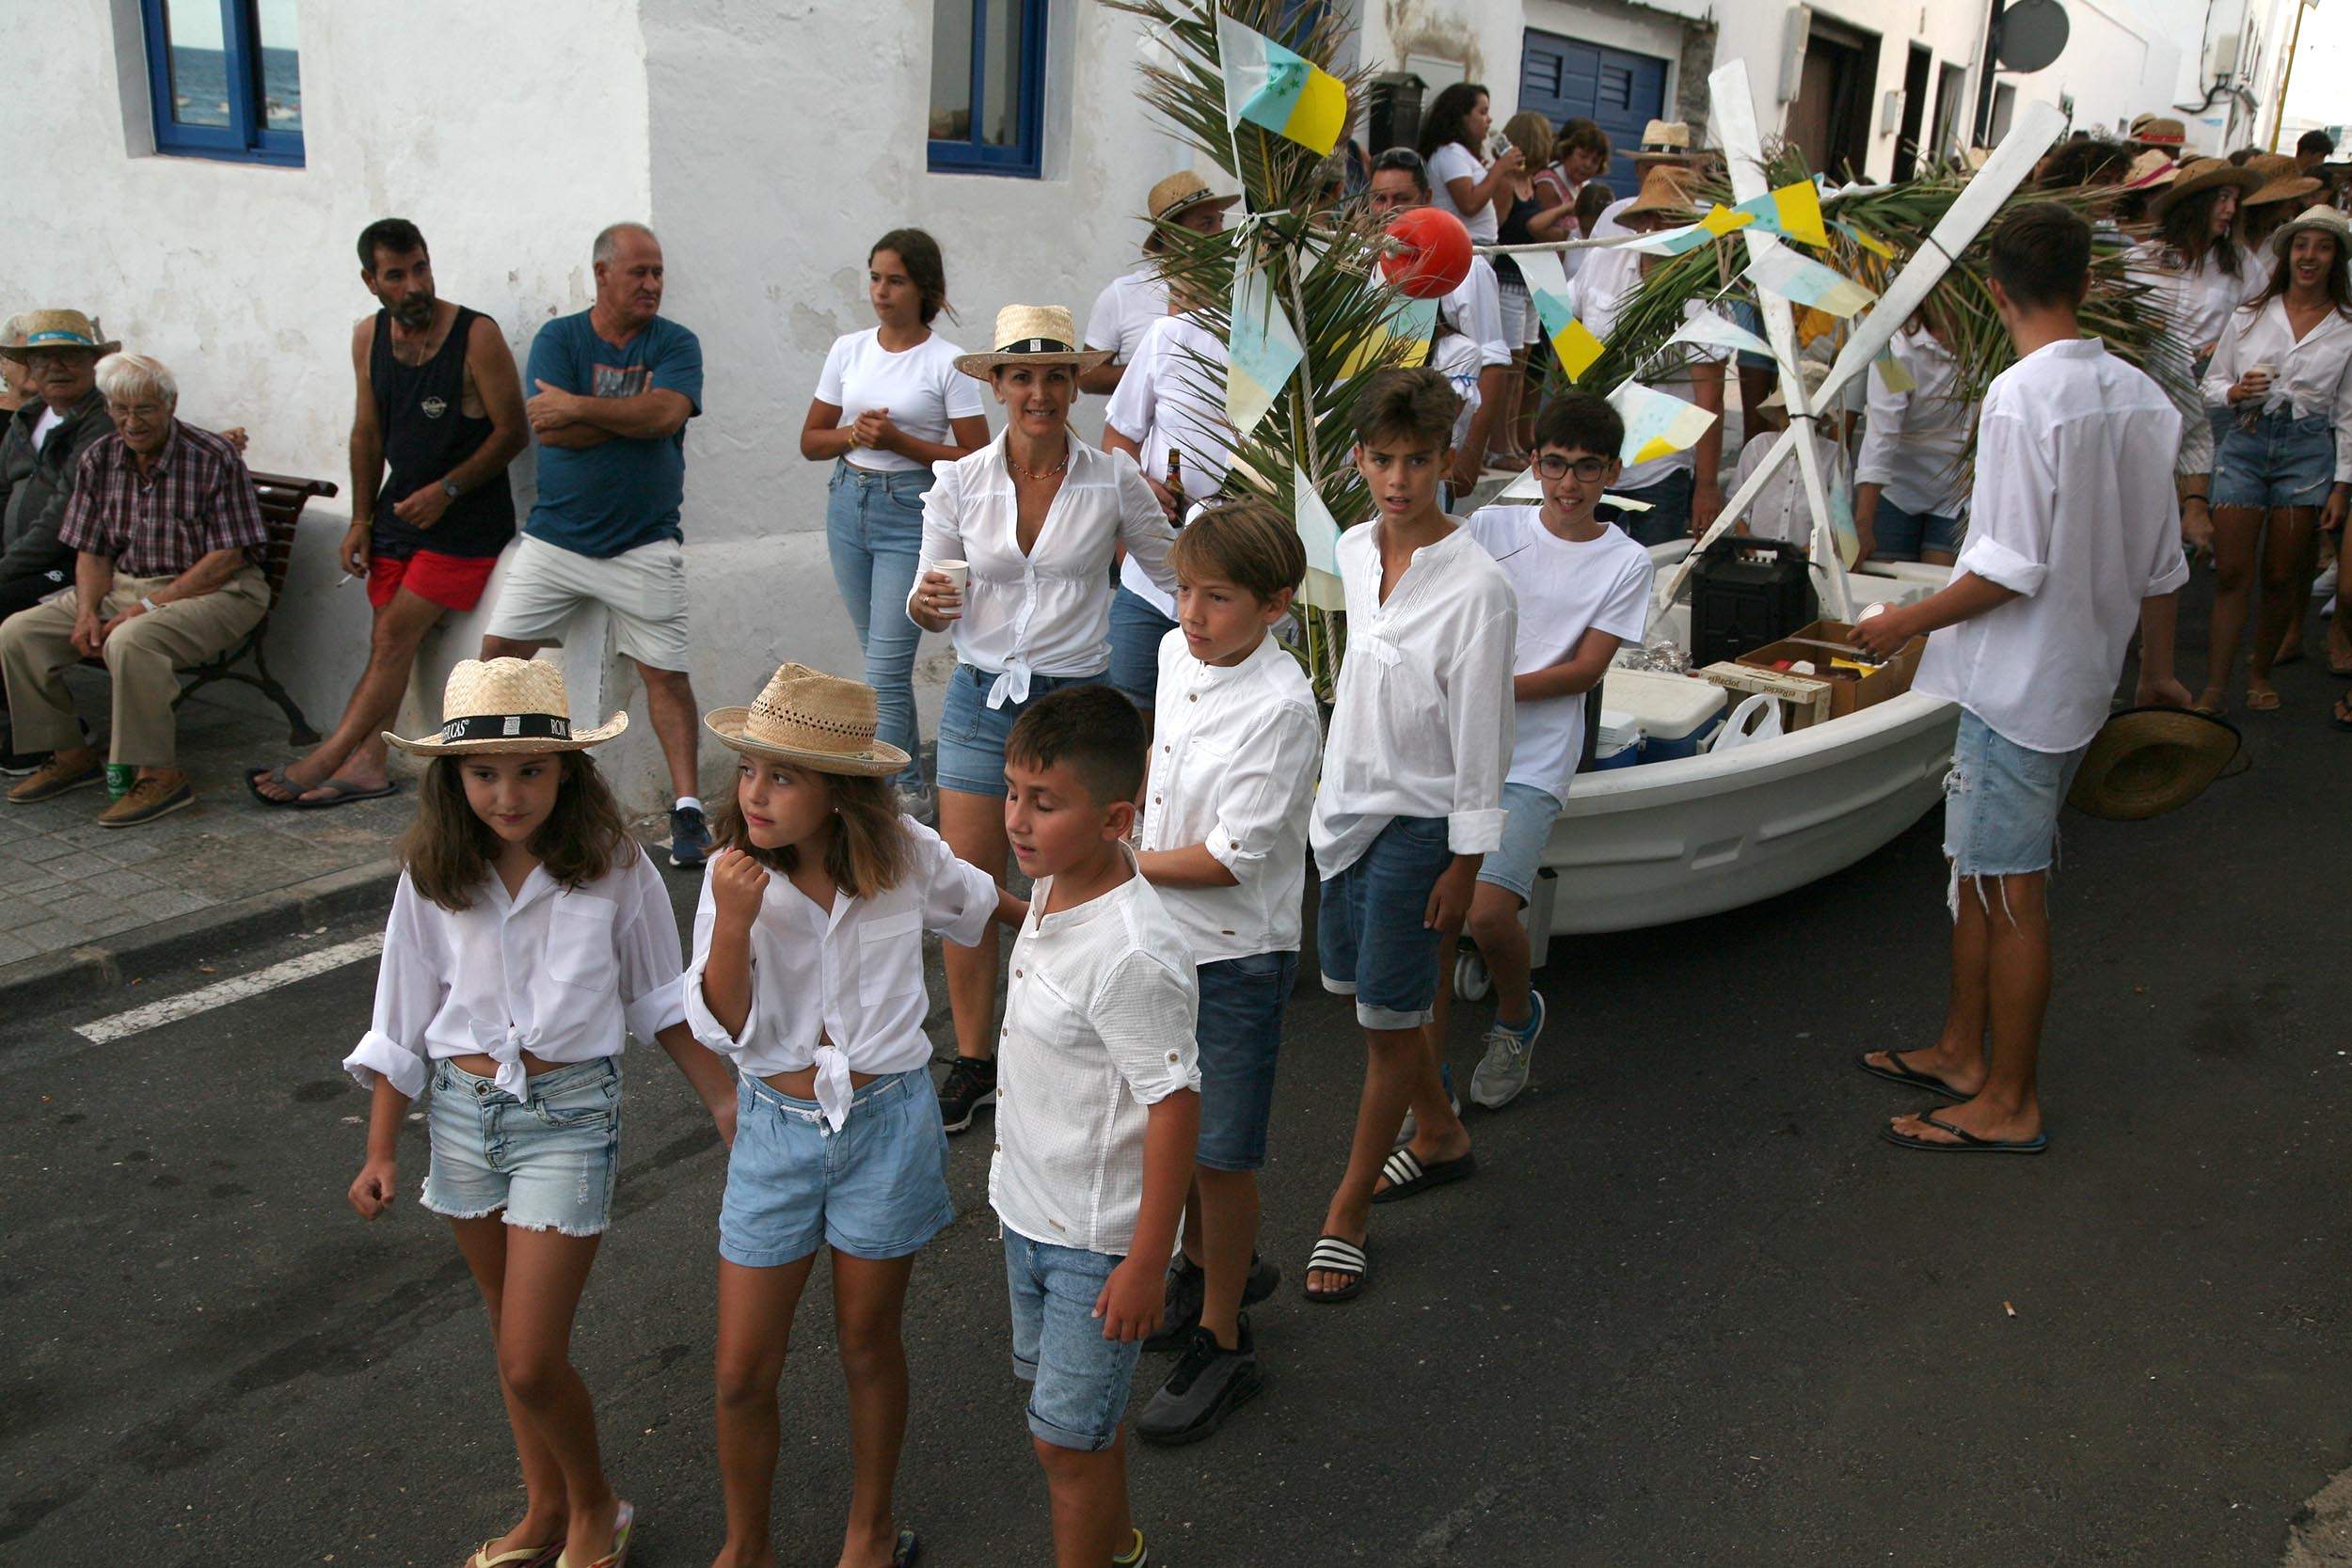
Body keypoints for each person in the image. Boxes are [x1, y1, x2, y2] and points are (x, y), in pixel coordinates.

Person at [341, 657, 735, 1568]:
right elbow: (400, 1008)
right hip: (462, 1114)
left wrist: (721, 1097)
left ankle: (598, 1506)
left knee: (529, 1354)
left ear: (568, 771)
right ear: (453, 777)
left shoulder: (610, 864)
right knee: (503, 1322)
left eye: (528, 770)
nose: (506, 794)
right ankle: (543, 1507)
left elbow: (658, 996)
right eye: (482, 772)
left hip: (568, 1112)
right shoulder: (436, 869)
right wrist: (380, 1148)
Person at [1852, 202, 2193, 1155]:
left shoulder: (2021, 394)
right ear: (2083, 284)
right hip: (2070, 677)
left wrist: (1900, 623)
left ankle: (2009, 1097)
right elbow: (2165, 563)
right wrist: (2158, 674)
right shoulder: (2142, 397)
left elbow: (2008, 566)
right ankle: (1964, 1050)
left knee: (2009, 890)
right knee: (1976, 871)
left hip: (2022, 682)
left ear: (1994, 289)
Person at [684, 663, 1025, 1568]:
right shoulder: (734, 878)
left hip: (888, 1121)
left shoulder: (906, 853)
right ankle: (744, 1544)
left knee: (869, 1341)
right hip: (774, 1132)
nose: (755, 793)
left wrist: (1087, 912)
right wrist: (728, 922)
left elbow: (981, 904)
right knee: (740, 1368)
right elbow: (721, 1024)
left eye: (783, 776)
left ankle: (869, 1531)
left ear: (841, 793)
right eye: (750, 769)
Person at [906, 306, 1176, 1134]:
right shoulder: (959, 481)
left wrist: (1239, 628)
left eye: (1056, 375)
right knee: (969, 887)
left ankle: (1068, 1043)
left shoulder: (1112, 478)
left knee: (1070, 883)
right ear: (994, 386)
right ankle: (977, 1059)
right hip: (982, 694)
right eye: (1021, 376)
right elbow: (931, 601)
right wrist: (927, 604)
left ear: (1073, 385)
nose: (1040, 392)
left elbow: (1174, 570)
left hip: (1072, 705)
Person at [1302, 368, 1514, 1305]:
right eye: (1382, 459)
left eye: (1417, 459)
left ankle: (1348, 1206)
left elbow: (1481, 737)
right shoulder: (1351, 549)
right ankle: (1441, 1133)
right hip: (1344, 808)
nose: (1398, 478)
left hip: (1421, 822)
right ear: (1358, 459)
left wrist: (1466, 861)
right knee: (1363, 997)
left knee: (1388, 1022)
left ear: (1444, 461)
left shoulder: (1479, 587)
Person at [991, 685, 1199, 1568]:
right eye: (1012, 792)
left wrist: (1149, 1261)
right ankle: (1119, 1550)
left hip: (1095, 1243)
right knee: (1079, 1425)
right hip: (1029, 1216)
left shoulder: (1133, 953)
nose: (1017, 820)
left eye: (1045, 802)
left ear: (1116, 817)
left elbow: (1176, 1102)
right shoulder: (1051, 886)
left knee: (1064, 1445)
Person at [1128, 500, 1319, 1446]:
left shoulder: (1282, 707)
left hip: (1236, 951)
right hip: (1164, 939)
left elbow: (1232, 855)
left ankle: (1222, 1332)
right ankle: (1208, 1267)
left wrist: (1112, 862)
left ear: (1275, 603)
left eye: (1216, 597)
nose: (1191, 614)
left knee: (1222, 1149)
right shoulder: (1175, 656)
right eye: (1183, 591)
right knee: (1175, 1123)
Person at [248, 218, 528, 809]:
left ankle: (327, 757)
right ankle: (370, 765)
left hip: (467, 522)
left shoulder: (475, 335)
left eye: (420, 269)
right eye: (396, 276)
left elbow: (512, 433)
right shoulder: (367, 337)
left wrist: (447, 490)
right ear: (370, 280)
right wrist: (359, 520)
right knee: (386, 638)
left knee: (396, 633)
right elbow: (367, 432)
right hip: (397, 514)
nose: (413, 286)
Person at [1443, 393, 1653, 1113]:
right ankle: (1422, 1061)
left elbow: (1584, 670)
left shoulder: (1626, 560)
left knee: (1490, 913)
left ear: (1612, 474)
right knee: (1433, 907)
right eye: (1556, 464)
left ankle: (1515, 1016)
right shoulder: (1492, 523)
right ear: (1533, 463)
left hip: (1532, 760)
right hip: (1452, 749)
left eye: (1587, 469)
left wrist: (1483, 688)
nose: (1569, 484)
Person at [483, 222, 713, 869]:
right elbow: (550, 434)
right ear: (602, 275)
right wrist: (630, 419)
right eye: (638, 272)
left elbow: (667, 415)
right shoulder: (561, 338)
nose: (651, 284)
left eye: (658, 272)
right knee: (497, 656)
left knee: (665, 675)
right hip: (555, 539)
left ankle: (690, 809)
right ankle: (478, 771)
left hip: (644, 542)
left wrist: (582, 409)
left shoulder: (676, 342)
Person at [0, 354, 267, 827]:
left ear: (170, 404)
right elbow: (92, 551)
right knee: (19, 633)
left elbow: (225, 559)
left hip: (218, 593)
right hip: (125, 587)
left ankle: (160, 774)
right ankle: (69, 753)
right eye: (120, 409)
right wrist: (85, 611)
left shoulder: (211, 457)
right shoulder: (99, 458)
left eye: (144, 408)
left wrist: (145, 607)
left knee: (131, 639)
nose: (131, 421)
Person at [801, 229, 991, 822]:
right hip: (847, 502)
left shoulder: (947, 362)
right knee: (877, 657)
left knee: (883, 667)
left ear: (924, 288)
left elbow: (979, 457)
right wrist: (854, 436)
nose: (881, 292)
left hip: (910, 511)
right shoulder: (848, 350)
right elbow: (811, 441)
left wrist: (900, 441)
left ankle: (891, 791)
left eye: (895, 280)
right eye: (875, 277)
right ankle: (906, 783)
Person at [2200, 205, 2352, 714]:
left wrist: (2342, 486)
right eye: (2302, 245)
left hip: (2308, 449)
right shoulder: (2249, 315)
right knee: (2231, 572)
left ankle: (2260, 671)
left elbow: (2349, 414)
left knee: (2284, 574)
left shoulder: (2347, 325)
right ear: (2288, 254)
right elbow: (2211, 385)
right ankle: (2217, 686)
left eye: (2323, 246)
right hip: (2247, 437)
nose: (2310, 256)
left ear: (2337, 258)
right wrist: (2237, 389)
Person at [1571, 164, 1728, 545]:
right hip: (1592, 456)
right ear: (1642, 220)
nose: (1660, 227)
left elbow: (1709, 398)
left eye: (1673, 218)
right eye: (1654, 218)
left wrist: (1706, 486)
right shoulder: (1605, 260)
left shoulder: (1705, 292)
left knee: (1651, 574)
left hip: (1661, 464)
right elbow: (1567, 324)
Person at [1102, 288, 1232, 718]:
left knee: (1214, 719)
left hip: (1236, 581)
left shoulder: (1295, 346)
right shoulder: (1171, 335)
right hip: (1149, 579)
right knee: (1125, 710)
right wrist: (1140, 490)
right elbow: (1118, 438)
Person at [2133, 159, 2265, 568]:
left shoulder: (2241, 265)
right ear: (2195, 204)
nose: (2229, 209)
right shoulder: (2145, 257)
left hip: (2207, 397)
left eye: (2234, 200)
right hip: (2148, 393)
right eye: (2222, 199)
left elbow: (2260, 323)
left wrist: (2227, 348)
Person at [0, 309, 118, 772]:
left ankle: (52, 735)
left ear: (93, 364)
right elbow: (3, 490)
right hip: (22, 558)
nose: (55, 368)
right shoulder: (28, 418)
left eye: (69, 356)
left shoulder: (100, 422)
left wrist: (4, 565)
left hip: (74, 563)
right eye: (43, 359)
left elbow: (60, 519)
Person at [1363, 149, 1512, 498]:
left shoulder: (1467, 267)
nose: (1389, 210)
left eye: (1402, 199)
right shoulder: (1358, 264)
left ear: (1427, 198)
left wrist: (1468, 460)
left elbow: (1492, 363)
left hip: (1431, 460)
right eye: (1379, 199)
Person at [1080, 172, 1237, 396]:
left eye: (1220, 220)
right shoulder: (1124, 294)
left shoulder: (1240, 289)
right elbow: (1088, 378)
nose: (1220, 233)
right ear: (1169, 234)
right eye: (1206, 224)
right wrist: (1156, 369)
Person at [1855, 302, 1974, 564]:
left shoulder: (1985, 345)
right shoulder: (1894, 347)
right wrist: (1863, 520)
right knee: (1888, 589)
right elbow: (1882, 433)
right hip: (1898, 489)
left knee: (1938, 589)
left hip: (1956, 492)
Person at [1491, 112, 1577, 468]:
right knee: (1508, 367)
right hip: (1509, 279)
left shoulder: (1527, 181)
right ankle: (1498, 445)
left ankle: (1511, 440)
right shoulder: (1507, 182)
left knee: (1522, 366)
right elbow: (1497, 229)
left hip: (1529, 283)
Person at [1729, 360, 1852, 555]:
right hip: (1755, 556)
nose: (1793, 418)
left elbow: (1838, 520)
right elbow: (1737, 508)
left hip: (1808, 561)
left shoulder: (1834, 456)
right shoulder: (1758, 448)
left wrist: (1809, 551)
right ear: (1779, 411)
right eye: (1786, 409)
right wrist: (1748, 543)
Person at [1418, 82, 1518, 247]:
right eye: (1483, 112)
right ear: (1462, 117)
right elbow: (1469, 204)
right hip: (1464, 245)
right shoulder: (1451, 153)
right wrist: (1499, 167)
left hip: (1479, 244)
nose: (1489, 119)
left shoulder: (1462, 154)